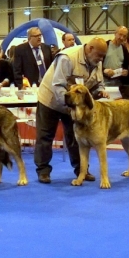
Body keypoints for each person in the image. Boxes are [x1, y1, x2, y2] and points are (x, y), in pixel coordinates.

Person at [34, 37, 108, 183]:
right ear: (90, 48)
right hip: (51, 100)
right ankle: (43, 171)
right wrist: (69, 105)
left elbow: (99, 82)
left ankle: (82, 171)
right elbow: (57, 85)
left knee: (76, 138)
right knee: (45, 136)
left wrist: (101, 91)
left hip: (74, 104)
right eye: (99, 55)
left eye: (103, 56)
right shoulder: (67, 57)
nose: (101, 59)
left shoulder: (96, 62)